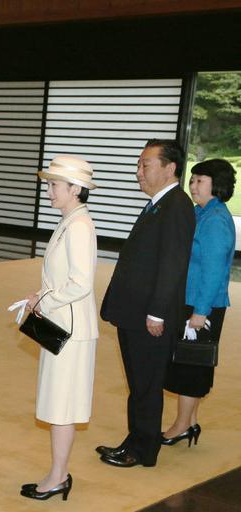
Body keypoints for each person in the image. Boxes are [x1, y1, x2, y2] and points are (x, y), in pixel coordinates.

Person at [96, 140, 195, 468]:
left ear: (170, 168)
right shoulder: (158, 204)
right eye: (139, 165)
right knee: (139, 382)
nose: (138, 172)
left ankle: (142, 449)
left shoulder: (177, 205)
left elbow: (172, 263)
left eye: (145, 165)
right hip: (135, 311)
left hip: (150, 316)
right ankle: (136, 439)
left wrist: (156, 311)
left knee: (147, 384)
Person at [19, 156, 99, 501]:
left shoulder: (79, 226)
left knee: (62, 404)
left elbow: (81, 283)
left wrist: (44, 302)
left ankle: (58, 476)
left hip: (70, 329)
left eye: (54, 184)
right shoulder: (70, 221)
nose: (49, 190)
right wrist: (42, 295)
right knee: (57, 402)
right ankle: (57, 473)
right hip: (61, 324)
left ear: (75, 189)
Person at [161, 159, 236, 448]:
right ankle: (189, 423)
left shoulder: (215, 219)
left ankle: (181, 425)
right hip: (192, 301)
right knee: (192, 363)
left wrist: (199, 312)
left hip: (201, 306)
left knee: (190, 368)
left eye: (200, 181)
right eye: (192, 180)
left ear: (216, 185)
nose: (193, 186)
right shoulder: (202, 212)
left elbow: (214, 269)